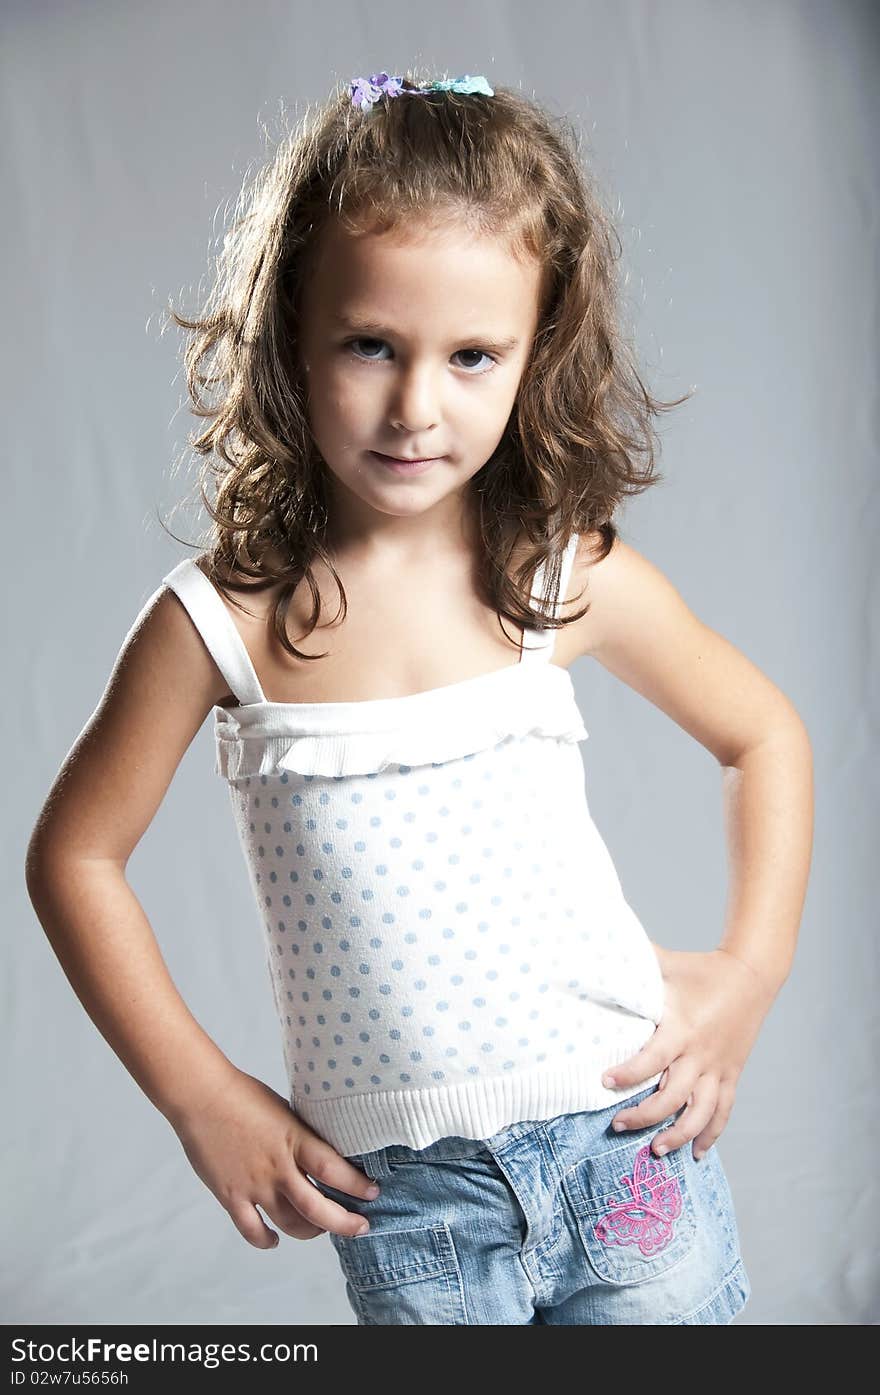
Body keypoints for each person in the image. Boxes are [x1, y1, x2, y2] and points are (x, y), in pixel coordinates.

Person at [24, 70, 814, 1326]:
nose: (415, 406)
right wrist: (200, 1095)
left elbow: (761, 732)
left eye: (470, 356)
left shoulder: (556, 573)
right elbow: (75, 857)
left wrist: (751, 971)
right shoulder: (220, 619)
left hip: (622, 1144)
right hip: (410, 1205)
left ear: (533, 354)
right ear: (292, 329)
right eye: (370, 345)